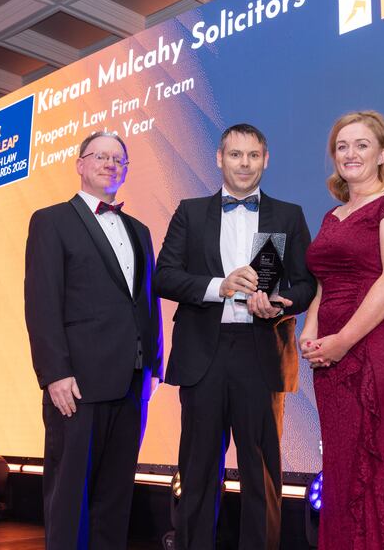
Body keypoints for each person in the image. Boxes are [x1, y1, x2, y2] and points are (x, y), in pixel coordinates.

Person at [156, 123, 316, 550]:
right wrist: (219, 286)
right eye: (235, 155)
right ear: (219, 159)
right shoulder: (189, 212)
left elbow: (307, 285)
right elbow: (164, 277)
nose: (244, 164)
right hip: (203, 355)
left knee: (261, 473)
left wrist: (279, 301)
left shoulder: (289, 214)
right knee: (196, 471)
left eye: (253, 155)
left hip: (261, 354)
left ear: (266, 159)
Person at [24, 131, 163, 550]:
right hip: (76, 383)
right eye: (99, 156)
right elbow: (42, 301)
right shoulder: (51, 220)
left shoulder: (139, 230)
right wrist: (55, 373)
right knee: (68, 496)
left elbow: (147, 300)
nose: (109, 164)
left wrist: (153, 365)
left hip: (131, 381)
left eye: (118, 159)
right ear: (80, 164)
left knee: (115, 496)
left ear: (125, 171)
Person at [301, 110, 384, 550]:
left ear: (382, 154)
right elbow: (323, 285)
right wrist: (311, 330)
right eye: (342, 146)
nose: (350, 154)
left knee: (376, 459)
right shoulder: (333, 215)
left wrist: (342, 341)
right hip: (332, 353)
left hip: (380, 347)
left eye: (361, 145)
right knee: (341, 463)